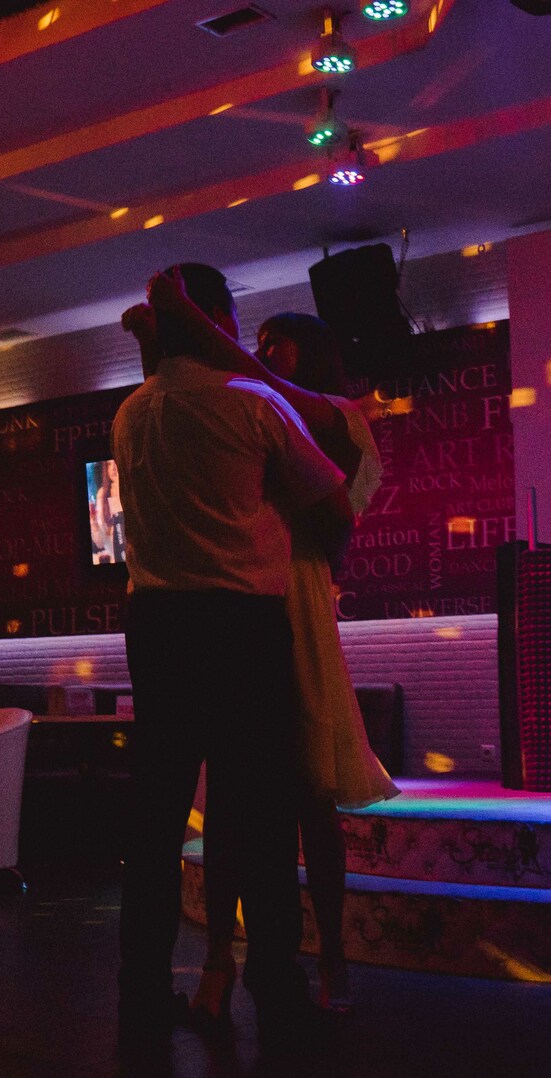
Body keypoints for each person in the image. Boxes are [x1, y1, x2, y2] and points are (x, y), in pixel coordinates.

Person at [131, 292, 396, 1019]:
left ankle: (327, 958)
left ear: (314, 354)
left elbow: (336, 516)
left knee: (311, 791)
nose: (263, 350)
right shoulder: (253, 404)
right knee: (237, 799)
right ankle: (227, 959)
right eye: (261, 337)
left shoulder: (326, 413)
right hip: (254, 597)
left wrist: (185, 328)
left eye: (279, 340)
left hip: (294, 593)